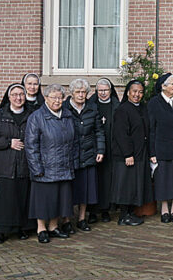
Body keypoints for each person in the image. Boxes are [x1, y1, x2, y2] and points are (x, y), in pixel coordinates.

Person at [25, 84, 79, 243]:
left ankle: (53, 227)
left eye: (60, 97)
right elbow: (31, 145)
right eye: (53, 97)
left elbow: (75, 141)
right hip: (45, 167)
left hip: (64, 166)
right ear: (46, 99)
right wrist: (36, 168)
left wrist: (73, 162)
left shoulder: (68, 115)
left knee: (60, 199)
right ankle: (41, 228)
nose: (57, 101)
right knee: (43, 200)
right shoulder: (36, 117)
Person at [0, 83, 35, 243]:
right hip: (4, 164)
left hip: (25, 163)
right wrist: (8, 143)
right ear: (9, 97)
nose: (18, 98)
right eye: (14, 94)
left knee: (22, 197)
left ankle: (22, 228)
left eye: (21, 94)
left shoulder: (31, 114)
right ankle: (2, 231)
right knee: (5, 200)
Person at [148, 73, 173, 223]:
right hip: (162, 147)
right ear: (163, 86)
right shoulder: (154, 103)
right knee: (163, 179)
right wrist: (152, 152)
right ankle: (164, 209)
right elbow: (151, 129)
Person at [65, 78, 104, 233]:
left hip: (88, 152)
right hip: (70, 154)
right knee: (68, 190)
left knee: (86, 189)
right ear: (72, 93)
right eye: (78, 92)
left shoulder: (92, 108)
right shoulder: (65, 108)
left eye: (84, 92)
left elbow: (99, 131)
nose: (81, 95)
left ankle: (82, 219)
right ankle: (67, 220)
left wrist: (100, 150)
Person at [111, 80, 151, 227]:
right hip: (126, 156)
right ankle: (123, 216)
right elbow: (121, 134)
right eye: (134, 91)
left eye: (140, 92)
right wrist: (128, 154)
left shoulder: (142, 108)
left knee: (134, 185)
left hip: (139, 154)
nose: (137, 95)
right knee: (125, 186)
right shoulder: (123, 110)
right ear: (128, 92)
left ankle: (130, 213)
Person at [87, 78, 119, 222]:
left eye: (105, 90)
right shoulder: (91, 105)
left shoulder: (116, 106)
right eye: (100, 90)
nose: (103, 93)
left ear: (111, 90)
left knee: (107, 180)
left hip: (111, 149)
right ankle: (92, 211)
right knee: (94, 180)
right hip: (94, 148)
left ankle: (106, 210)